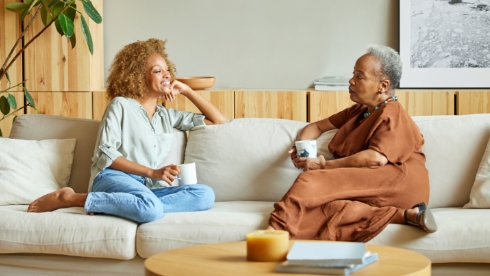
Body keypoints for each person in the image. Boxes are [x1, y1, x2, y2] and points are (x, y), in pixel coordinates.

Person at [27, 38, 229, 223]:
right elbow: (105, 153)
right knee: (150, 209)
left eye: (167, 70)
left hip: (146, 188)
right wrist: (153, 172)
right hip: (113, 178)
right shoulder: (120, 105)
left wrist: (187, 90)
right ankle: (69, 198)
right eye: (158, 71)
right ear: (138, 77)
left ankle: (120, 205)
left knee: (204, 195)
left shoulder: (167, 116)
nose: (167, 75)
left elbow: (219, 121)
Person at [267, 45, 437, 242]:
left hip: (398, 183)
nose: (351, 80)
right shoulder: (360, 111)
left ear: (383, 85)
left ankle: (271, 237)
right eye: (353, 74)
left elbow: (375, 159)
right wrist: (304, 151)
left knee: (309, 181)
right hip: (376, 184)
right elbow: (316, 127)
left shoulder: (393, 112)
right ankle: (407, 215)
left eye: (360, 76)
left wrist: (322, 166)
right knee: (325, 207)